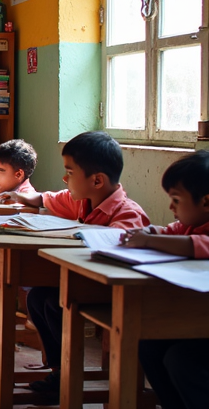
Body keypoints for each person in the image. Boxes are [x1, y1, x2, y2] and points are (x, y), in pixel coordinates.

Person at [0, 131, 150, 400]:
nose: (64, 179)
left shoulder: (128, 214)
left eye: (69, 172)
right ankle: (60, 372)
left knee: (56, 303)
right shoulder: (82, 199)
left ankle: (69, 375)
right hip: (82, 282)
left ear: (97, 180)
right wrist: (20, 197)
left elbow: (124, 254)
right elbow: (47, 198)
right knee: (38, 297)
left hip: (111, 290)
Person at [121, 150, 209, 409]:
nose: (170, 207)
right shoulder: (191, 223)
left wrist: (149, 240)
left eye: (176, 200)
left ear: (206, 202)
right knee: (148, 343)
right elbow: (171, 232)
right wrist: (151, 231)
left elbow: (198, 245)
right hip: (193, 320)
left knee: (180, 360)